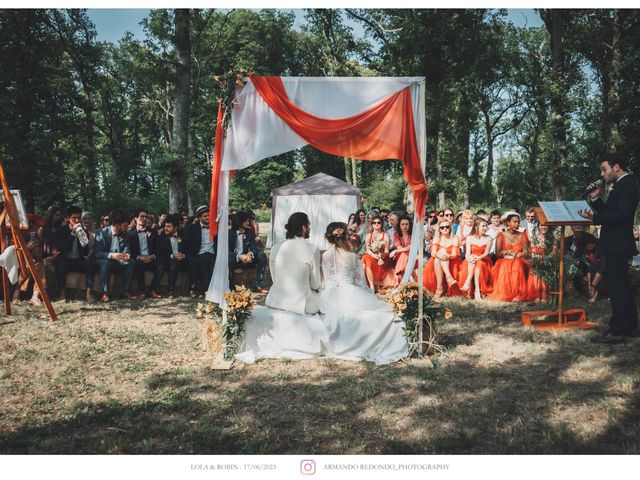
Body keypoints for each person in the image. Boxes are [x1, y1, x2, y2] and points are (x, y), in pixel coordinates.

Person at [578, 153, 640, 343]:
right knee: (621, 287)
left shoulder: (627, 185)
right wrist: (596, 200)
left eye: (604, 169)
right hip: (616, 244)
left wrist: (594, 219)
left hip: (618, 244)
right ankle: (629, 327)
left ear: (617, 167)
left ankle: (618, 330)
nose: (602, 174)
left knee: (617, 288)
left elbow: (621, 217)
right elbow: (612, 213)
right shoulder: (621, 186)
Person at [266, 212, 322, 315]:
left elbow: (275, 278)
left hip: (275, 301)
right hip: (301, 306)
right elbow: (315, 284)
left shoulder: (275, 248)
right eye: (309, 225)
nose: (310, 228)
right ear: (303, 228)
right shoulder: (312, 250)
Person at [94, 209, 136, 303]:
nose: (127, 228)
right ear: (116, 225)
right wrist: (112, 255)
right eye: (125, 226)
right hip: (104, 261)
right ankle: (105, 293)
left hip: (119, 262)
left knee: (132, 262)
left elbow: (127, 249)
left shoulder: (125, 235)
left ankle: (125, 290)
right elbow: (97, 253)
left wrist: (127, 255)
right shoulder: (102, 233)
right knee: (106, 263)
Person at [489, 212, 529, 302]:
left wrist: (510, 253)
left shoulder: (522, 235)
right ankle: (507, 292)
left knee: (517, 263)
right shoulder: (501, 235)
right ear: (508, 223)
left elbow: (526, 253)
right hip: (504, 260)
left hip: (519, 260)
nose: (517, 224)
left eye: (518, 222)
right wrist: (511, 252)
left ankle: (517, 293)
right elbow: (498, 253)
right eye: (514, 222)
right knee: (506, 265)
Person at [58, 205, 95, 302]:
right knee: (60, 265)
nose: (77, 220)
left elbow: (86, 251)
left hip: (78, 260)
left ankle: (88, 294)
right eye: (74, 218)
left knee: (89, 264)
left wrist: (82, 237)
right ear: (68, 218)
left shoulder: (83, 230)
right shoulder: (63, 230)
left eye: (79, 218)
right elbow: (64, 250)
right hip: (66, 260)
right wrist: (73, 233)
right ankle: (62, 295)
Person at [228, 210, 268, 293]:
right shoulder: (229, 233)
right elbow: (227, 251)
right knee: (229, 260)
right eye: (246, 221)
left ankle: (257, 284)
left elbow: (254, 247)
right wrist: (239, 256)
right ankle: (231, 288)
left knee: (262, 256)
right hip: (235, 259)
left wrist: (250, 254)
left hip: (247, 258)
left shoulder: (249, 231)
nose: (248, 222)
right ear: (239, 221)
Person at [423, 219, 461, 298]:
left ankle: (439, 288)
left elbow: (454, 254)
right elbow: (433, 253)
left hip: (452, 261)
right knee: (441, 253)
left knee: (441, 254)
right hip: (438, 260)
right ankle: (449, 277)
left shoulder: (455, 238)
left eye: (447, 227)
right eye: (442, 227)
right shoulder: (437, 237)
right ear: (439, 229)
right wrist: (442, 255)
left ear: (450, 227)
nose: (445, 229)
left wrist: (448, 256)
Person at [127, 209, 161, 300]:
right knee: (139, 265)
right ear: (136, 218)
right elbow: (130, 250)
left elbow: (157, 248)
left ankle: (153, 289)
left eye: (146, 217)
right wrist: (139, 257)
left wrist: (152, 256)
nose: (144, 218)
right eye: (142, 216)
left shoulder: (153, 232)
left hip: (150, 258)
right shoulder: (130, 234)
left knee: (160, 265)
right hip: (138, 259)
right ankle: (141, 291)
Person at [184, 205, 216, 297]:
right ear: (199, 217)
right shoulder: (191, 228)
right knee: (200, 260)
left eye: (209, 215)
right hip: (198, 254)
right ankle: (207, 289)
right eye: (205, 216)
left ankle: (210, 290)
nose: (208, 217)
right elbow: (186, 244)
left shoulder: (216, 227)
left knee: (210, 261)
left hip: (213, 254)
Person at [459, 218, 493, 300]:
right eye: (483, 226)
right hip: (471, 259)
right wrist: (469, 258)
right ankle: (472, 288)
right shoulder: (470, 238)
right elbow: (467, 253)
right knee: (472, 262)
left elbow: (486, 253)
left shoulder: (489, 238)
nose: (485, 228)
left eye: (486, 226)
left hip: (483, 259)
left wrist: (479, 257)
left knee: (479, 264)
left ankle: (476, 289)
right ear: (476, 227)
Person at [156, 214, 189, 298]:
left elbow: (189, 249)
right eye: (165, 226)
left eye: (168, 226)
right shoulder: (161, 236)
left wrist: (184, 255)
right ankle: (170, 290)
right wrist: (172, 255)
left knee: (193, 261)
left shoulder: (184, 234)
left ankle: (192, 289)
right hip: (169, 261)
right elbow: (160, 254)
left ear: (175, 227)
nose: (165, 228)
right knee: (172, 263)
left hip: (183, 260)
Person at [361, 214, 396, 291]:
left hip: (382, 258)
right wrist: (374, 255)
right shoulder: (368, 235)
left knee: (366, 259)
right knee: (365, 258)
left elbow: (387, 250)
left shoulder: (385, 235)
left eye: (378, 222)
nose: (376, 224)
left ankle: (374, 284)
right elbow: (368, 250)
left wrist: (381, 255)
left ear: (381, 224)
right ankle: (371, 285)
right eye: (374, 223)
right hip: (372, 256)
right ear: (372, 224)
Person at [526, 224, 553, 303]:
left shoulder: (552, 238)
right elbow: (533, 251)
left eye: (545, 226)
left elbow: (553, 251)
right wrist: (536, 257)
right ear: (538, 227)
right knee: (536, 276)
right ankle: (538, 296)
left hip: (548, 260)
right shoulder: (535, 238)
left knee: (545, 276)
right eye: (541, 225)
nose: (544, 227)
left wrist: (546, 258)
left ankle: (545, 296)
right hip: (537, 260)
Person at [390, 214, 415, 284]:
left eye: (407, 224)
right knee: (403, 254)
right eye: (402, 224)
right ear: (399, 225)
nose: (405, 226)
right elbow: (400, 247)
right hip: (400, 256)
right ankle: (409, 276)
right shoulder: (396, 234)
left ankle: (399, 274)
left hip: (411, 255)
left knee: (404, 254)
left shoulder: (412, 234)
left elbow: (410, 248)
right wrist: (399, 250)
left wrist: (395, 250)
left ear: (410, 225)